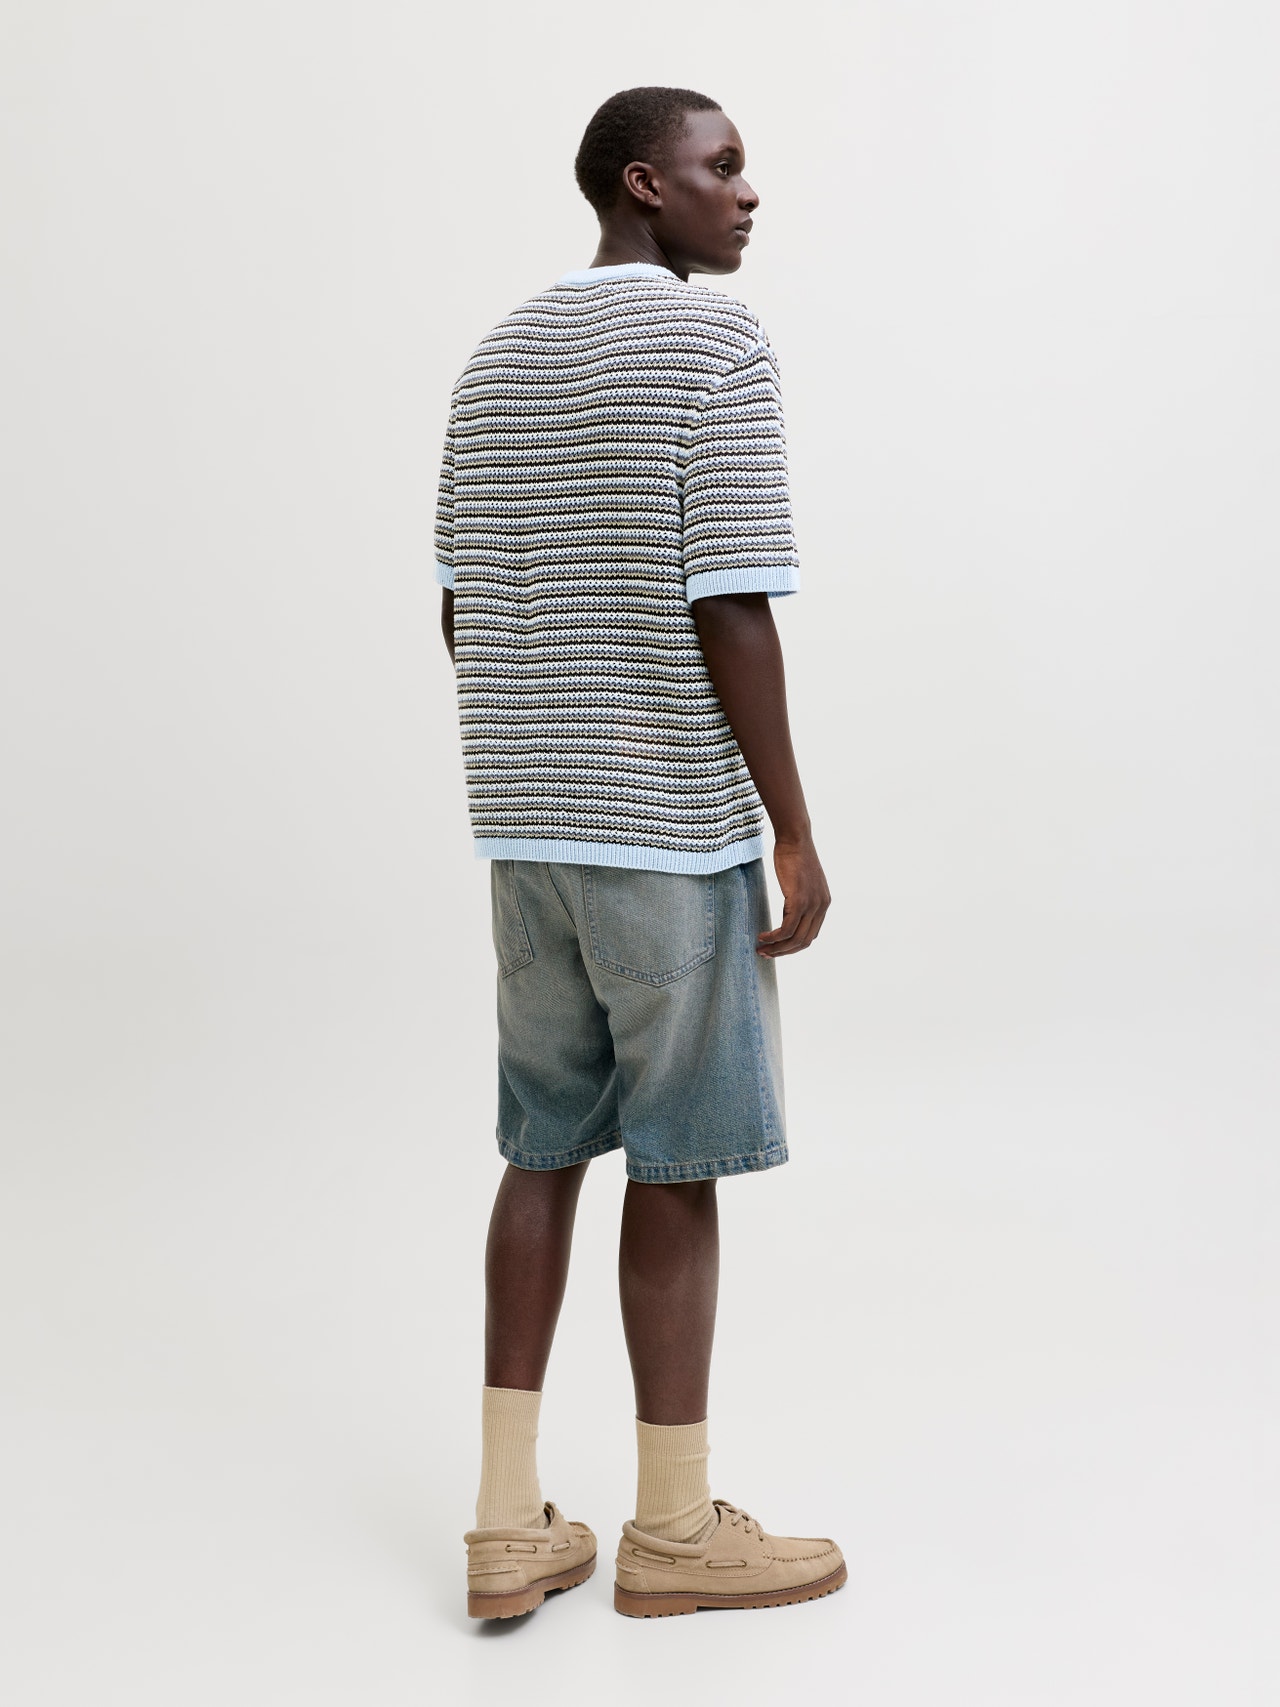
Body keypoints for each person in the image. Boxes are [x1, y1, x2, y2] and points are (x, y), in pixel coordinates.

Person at [435, 85, 842, 1620]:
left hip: (525, 836)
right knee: (675, 1165)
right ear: (642, 183)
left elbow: (463, 605)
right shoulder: (712, 342)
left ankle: (505, 1526)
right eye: (721, 167)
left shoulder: (495, 355)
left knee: (541, 1150)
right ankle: (673, 1531)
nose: (748, 193)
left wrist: (544, 747)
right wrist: (792, 824)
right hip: (663, 835)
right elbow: (729, 598)